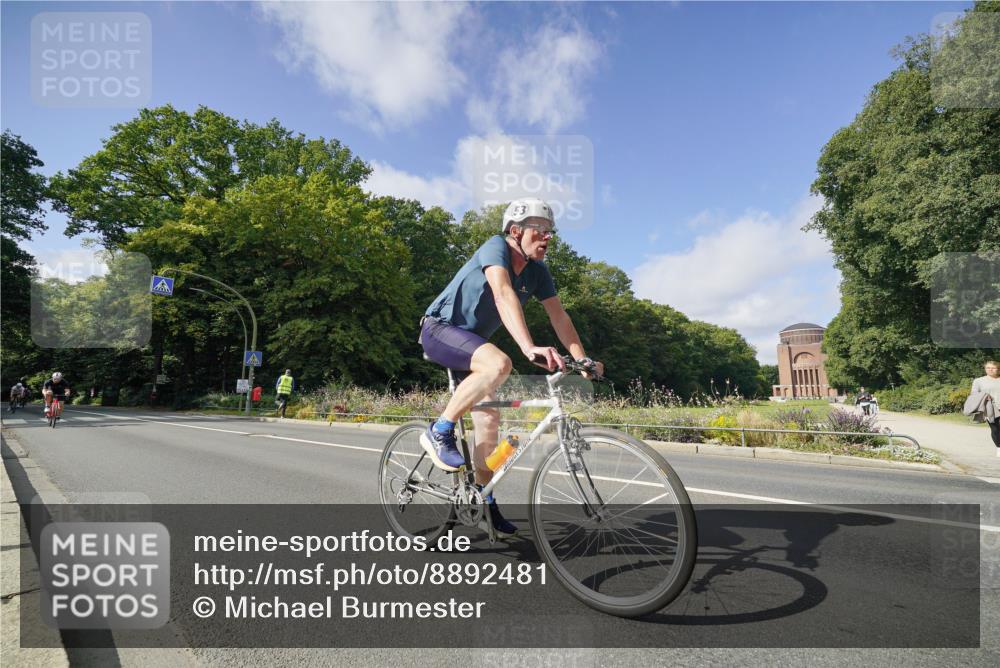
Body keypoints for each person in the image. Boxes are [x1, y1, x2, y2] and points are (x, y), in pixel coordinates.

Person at [418, 197, 603, 537]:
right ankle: (440, 429)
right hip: (440, 330)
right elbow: (503, 293)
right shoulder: (496, 248)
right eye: (540, 231)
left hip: (473, 346)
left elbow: (559, 315)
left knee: (489, 423)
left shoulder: (538, 272)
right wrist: (528, 346)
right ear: (516, 231)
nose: (547, 238)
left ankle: (483, 501)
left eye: (551, 232)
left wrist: (581, 357)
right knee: (500, 363)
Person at [966, 360, 1000, 456]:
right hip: (990, 408)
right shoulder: (979, 381)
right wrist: (984, 396)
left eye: (993, 368)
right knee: (995, 429)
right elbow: (974, 393)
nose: (990, 370)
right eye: (988, 368)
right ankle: (999, 447)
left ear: (998, 369)